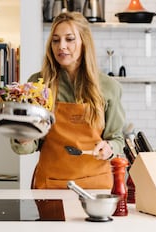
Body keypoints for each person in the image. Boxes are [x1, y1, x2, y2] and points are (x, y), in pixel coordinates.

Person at [10, 11, 125, 189]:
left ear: (84, 42)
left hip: (96, 185)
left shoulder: (109, 87)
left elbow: (117, 139)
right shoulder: (38, 84)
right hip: (51, 185)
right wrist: (23, 137)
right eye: (55, 40)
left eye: (69, 39)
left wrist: (109, 148)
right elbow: (30, 145)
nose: (61, 46)